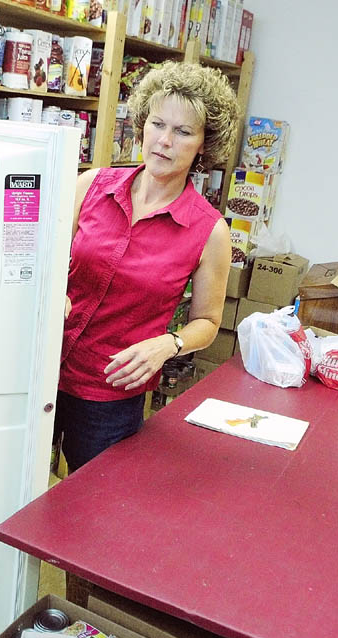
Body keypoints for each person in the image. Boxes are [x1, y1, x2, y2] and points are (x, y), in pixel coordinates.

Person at [55, 60, 239, 473]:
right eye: (158, 124)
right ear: (142, 123)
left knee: (96, 507)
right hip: (41, 368)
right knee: (14, 494)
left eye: (183, 131)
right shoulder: (91, 186)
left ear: (203, 146)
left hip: (110, 393)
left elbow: (208, 321)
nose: (164, 141)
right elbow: (46, 263)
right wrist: (53, 295)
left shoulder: (210, 232)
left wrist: (167, 345)